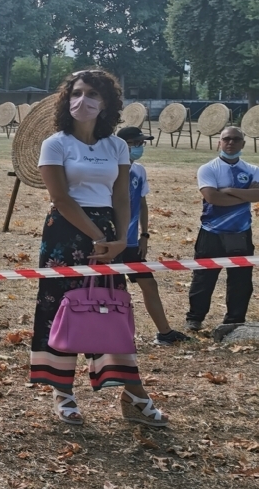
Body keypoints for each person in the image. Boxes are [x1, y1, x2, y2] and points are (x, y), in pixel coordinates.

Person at [29, 70, 169, 428]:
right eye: (77, 93)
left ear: (106, 103)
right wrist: (98, 238)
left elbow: (121, 197)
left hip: (108, 234)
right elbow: (60, 198)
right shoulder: (55, 144)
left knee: (109, 309)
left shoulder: (117, 146)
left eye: (92, 94)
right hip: (66, 233)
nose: (83, 100)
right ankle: (63, 392)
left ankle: (133, 394)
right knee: (61, 309)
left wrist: (120, 239)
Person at [115, 126, 189, 346]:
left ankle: (165, 333)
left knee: (149, 284)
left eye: (141, 143)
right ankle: (112, 335)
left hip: (131, 242)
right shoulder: (109, 170)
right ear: (122, 145)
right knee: (113, 290)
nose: (139, 147)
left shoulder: (139, 171)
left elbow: (142, 204)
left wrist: (144, 235)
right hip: (111, 241)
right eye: (135, 143)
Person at [186, 125, 259, 333]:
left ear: (243, 144)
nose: (231, 143)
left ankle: (234, 320)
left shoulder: (253, 170)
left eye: (236, 139)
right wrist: (244, 195)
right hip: (211, 232)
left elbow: (257, 195)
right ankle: (195, 318)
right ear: (219, 142)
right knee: (203, 278)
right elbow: (212, 198)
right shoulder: (208, 169)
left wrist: (228, 190)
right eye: (226, 139)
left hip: (240, 233)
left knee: (241, 280)